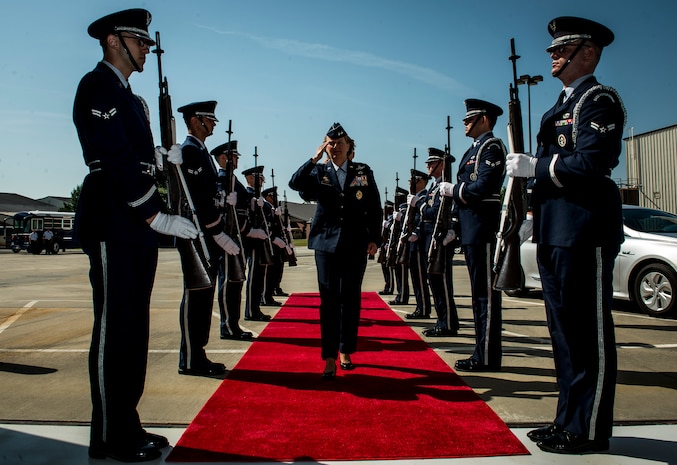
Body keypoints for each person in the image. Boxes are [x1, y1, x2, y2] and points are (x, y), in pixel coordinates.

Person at [73, 8, 198, 462]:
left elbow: (139, 157)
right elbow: (115, 158)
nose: (147, 49)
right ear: (113, 41)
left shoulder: (132, 98)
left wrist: (164, 156)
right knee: (115, 329)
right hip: (114, 217)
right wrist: (154, 214)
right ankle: (109, 434)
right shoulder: (98, 86)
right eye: (139, 41)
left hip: (134, 222)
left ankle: (126, 421)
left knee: (133, 329)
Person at [506, 16, 626, 454]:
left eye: (563, 49)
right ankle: (566, 420)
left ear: (588, 53)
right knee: (563, 334)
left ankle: (589, 429)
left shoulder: (599, 100)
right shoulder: (561, 104)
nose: (554, 56)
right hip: (556, 229)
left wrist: (536, 167)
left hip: (585, 228)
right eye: (554, 50)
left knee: (586, 333)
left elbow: (592, 163)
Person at [289, 122, 382, 379]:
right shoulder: (319, 171)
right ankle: (329, 357)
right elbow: (294, 183)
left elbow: (375, 206)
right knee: (329, 301)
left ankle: (345, 350)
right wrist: (313, 157)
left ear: (349, 147)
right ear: (325, 147)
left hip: (355, 244)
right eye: (331, 144)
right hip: (326, 245)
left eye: (340, 144)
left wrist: (375, 237)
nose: (336, 148)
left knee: (350, 300)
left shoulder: (362, 171)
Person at [174, 100, 241, 377]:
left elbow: (209, 194)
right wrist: (217, 230)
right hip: (196, 234)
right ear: (194, 121)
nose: (213, 124)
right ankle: (190, 358)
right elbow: (197, 200)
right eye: (208, 119)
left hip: (206, 233)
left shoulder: (199, 151)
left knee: (204, 297)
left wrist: (223, 198)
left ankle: (197, 354)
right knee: (196, 295)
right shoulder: (190, 151)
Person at [439, 99, 506, 371]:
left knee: (485, 297)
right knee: (479, 295)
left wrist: (454, 190)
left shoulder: (492, 147)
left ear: (485, 120)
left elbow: (482, 187)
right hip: (471, 230)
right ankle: (481, 351)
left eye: (471, 119)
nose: (465, 123)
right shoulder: (473, 150)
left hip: (483, 228)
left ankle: (487, 356)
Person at [211, 140, 254, 341]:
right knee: (229, 282)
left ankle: (233, 324)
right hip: (227, 237)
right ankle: (228, 326)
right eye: (233, 156)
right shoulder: (222, 179)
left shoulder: (232, 179)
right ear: (223, 158)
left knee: (236, 282)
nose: (236, 159)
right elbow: (219, 207)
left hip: (237, 235)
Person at [421, 148, 459, 337]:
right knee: (434, 281)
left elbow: (438, 211)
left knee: (442, 282)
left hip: (440, 237)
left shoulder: (446, 186)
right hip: (431, 236)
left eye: (432, 162)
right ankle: (442, 321)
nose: (428, 166)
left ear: (441, 165)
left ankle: (449, 323)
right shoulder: (434, 187)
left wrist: (452, 230)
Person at [242, 166, 273, 321]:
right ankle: (251, 310)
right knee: (254, 277)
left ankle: (255, 308)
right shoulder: (246, 195)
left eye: (261, 178)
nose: (260, 181)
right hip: (252, 241)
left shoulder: (261, 200)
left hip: (261, 241)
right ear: (249, 179)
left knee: (259, 277)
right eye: (257, 178)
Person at [404, 169, 432, 319]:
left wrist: (417, 232)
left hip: (420, 241)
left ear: (421, 182)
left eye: (412, 182)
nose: (410, 184)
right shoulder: (414, 198)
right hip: (413, 242)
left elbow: (424, 217)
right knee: (415, 276)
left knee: (420, 277)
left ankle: (423, 308)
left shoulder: (426, 197)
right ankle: (420, 306)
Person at [261, 186, 288, 306]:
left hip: (276, 244)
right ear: (268, 197)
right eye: (273, 196)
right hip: (270, 244)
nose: (275, 199)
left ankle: (272, 291)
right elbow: (267, 225)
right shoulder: (266, 206)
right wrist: (274, 238)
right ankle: (266, 296)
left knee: (277, 270)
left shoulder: (272, 208)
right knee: (269, 273)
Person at [389, 186, 410, 305]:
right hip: (396, 243)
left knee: (401, 273)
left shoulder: (405, 209)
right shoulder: (400, 210)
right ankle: (399, 294)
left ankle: (402, 296)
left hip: (402, 244)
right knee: (398, 272)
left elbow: (408, 223)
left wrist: (401, 218)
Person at [378, 200, 395, 295]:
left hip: (388, 245)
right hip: (383, 245)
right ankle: (387, 285)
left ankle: (390, 287)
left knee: (389, 268)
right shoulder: (384, 219)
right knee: (384, 267)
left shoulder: (392, 219)